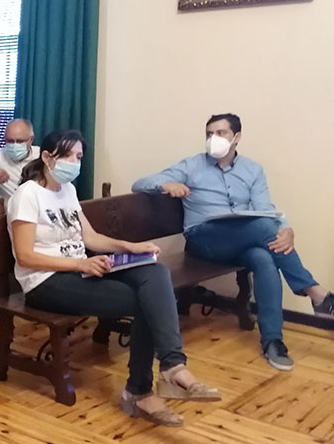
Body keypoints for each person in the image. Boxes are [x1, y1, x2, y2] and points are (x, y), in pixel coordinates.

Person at [10, 130, 221, 427]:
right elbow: (25, 256)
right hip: (45, 281)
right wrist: (80, 264)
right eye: (67, 155)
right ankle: (140, 391)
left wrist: (130, 247)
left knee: (155, 272)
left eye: (79, 156)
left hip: (80, 269)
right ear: (46, 157)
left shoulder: (67, 190)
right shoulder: (27, 195)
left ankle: (172, 366)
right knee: (147, 302)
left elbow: (90, 237)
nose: (75, 162)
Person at [132, 113, 332, 371]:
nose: (213, 139)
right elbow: (140, 183)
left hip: (239, 240)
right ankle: (316, 293)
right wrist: (166, 184)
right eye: (209, 134)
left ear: (236, 137)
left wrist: (285, 230)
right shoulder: (192, 165)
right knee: (264, 229)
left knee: (264, 258)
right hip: (203, 238)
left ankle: (273, 341)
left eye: (220, 133)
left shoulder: (253, 170)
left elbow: (265, 209)